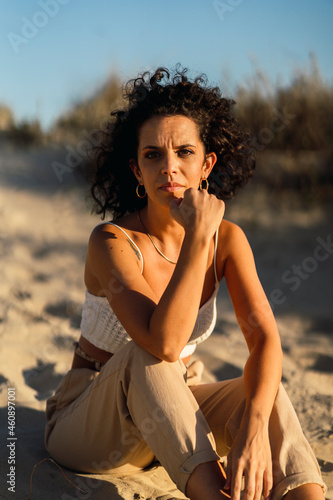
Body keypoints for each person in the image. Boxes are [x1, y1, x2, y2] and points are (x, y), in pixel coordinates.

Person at [45, 67, 326, 500]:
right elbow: (165, 344)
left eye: (185, 153)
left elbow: (266, 340)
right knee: (147, 354)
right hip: (91, 423)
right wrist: (197, 237)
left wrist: (252, 430)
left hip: (173, 411)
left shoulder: (229, 239)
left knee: (265, 393)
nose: (169, 169)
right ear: (137, 171)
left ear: (206, 164)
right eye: (153, 155)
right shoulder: (111, 242)